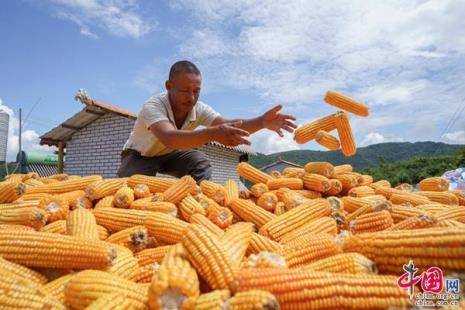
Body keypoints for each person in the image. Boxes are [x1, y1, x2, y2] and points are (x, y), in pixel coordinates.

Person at [118, 60, 297, 183]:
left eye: (196, 91)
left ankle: (195, 205)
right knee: (132, 190)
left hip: (170, 154)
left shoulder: (200, 108)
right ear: (169, 86)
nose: (191, 97)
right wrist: (214, 134)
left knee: (200, 162)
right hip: (140, 155)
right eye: (185, 91)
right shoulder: (153, 106)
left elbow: (229, 126)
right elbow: (170, 138)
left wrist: (261, 122)